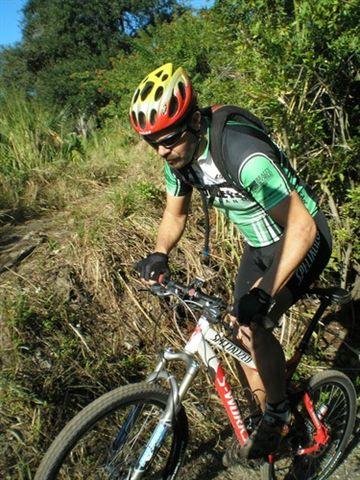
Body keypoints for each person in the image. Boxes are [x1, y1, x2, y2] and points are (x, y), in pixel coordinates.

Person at [130, 63, 332, 464]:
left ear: (191, 122)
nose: (160, 151)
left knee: (253, 323)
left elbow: (302, 228)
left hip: (301, 239)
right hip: (259, 245)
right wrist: (160, 253)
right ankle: (275, 418)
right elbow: (175, 214)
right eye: (151, 142)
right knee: (238, 332)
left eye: (166, 139)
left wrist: (267, 291)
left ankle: (277, 413)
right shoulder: (179, 159)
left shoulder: (243, 154)